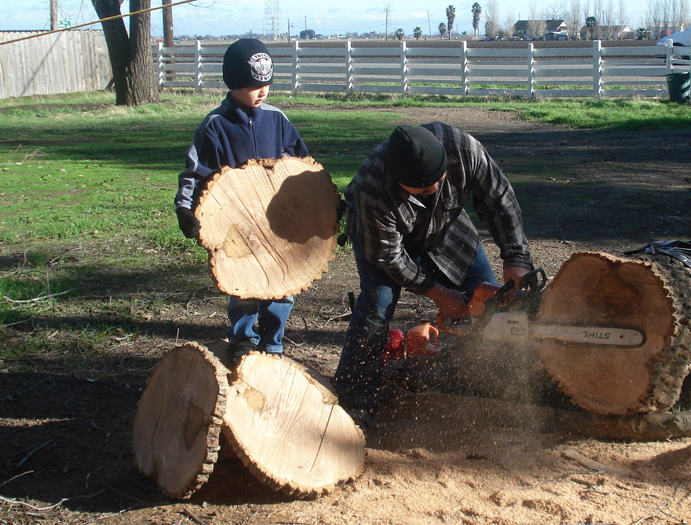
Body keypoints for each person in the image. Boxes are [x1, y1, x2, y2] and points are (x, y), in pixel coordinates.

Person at [334, 123, 534, 423]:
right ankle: (356, 399)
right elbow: (390, 257)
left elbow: (499, 199)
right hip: (382, 243)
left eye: (438, 180)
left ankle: (486, 384)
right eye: (424, 189)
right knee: (377, 307)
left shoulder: (463, 149)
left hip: (446, 228)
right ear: (399, 181)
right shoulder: (370, 191)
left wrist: (517, 257)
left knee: (489, 303)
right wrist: (440, 295)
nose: (435, 189)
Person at [174, 38, 309, 357]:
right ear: (233, 83)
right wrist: (185, 208)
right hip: (236, 224)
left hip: (277, 223)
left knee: (281, 285)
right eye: (252, 85)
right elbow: (195, 172)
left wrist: (321, 205)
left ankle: (273, 341)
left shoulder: (277, 119)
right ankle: (244, 340)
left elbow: (303, 166)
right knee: (243, 285)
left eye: (267, 85)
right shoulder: (215, 126)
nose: (262, 92)